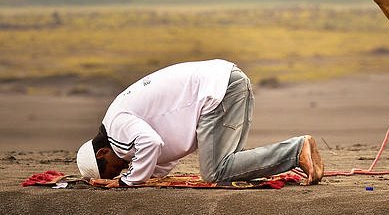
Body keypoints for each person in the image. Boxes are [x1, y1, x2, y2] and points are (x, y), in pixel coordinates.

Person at [76, 59, 323, 186]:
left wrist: (129, 181)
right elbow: (162, 155)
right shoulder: (120, 122)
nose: (120, 170)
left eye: (113, 169)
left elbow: (150, 144)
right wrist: (143, 175)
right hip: (227, 81)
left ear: (103, 151)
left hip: (218, 90)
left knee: (216, 171)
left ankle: (296, 151)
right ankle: (301, 151)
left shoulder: (117, 127)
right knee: (228, 167)